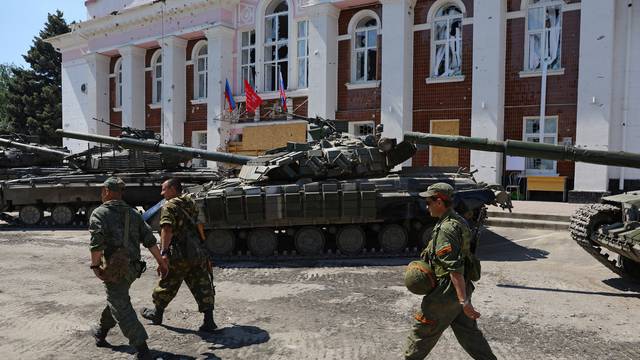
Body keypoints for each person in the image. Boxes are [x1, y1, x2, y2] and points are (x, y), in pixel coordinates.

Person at [404, 182, 496, 360]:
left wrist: (464, 301)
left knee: (422, 331)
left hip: (445, 293)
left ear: (439, 202)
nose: (427, 205)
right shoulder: (457, 220)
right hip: (460, 290)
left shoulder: (446, 229)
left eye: (429, 201)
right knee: (470, 336)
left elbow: (454, 269)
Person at [89, 177, 168, 360]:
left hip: (115, 270)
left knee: (121, 305)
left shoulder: (99, 213)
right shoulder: (133, 213)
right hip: (133, 269)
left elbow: (96, 244)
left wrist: (95, 266)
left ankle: (142, 349)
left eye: (103, 191)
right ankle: (101, 332)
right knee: (118, 298)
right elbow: (150, 240)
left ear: (107, 192)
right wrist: (161, 262)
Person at [140, 178, 217, 332]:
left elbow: (166, 230)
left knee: (168, 283)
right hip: (196, 252)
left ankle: (157, 314)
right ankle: (209, 321)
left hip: (179, 254)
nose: (162, 193)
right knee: (202, 283)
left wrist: (164, 253)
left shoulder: (169, 206)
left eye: (164, 189)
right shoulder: (191, 202)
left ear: (173, 189)